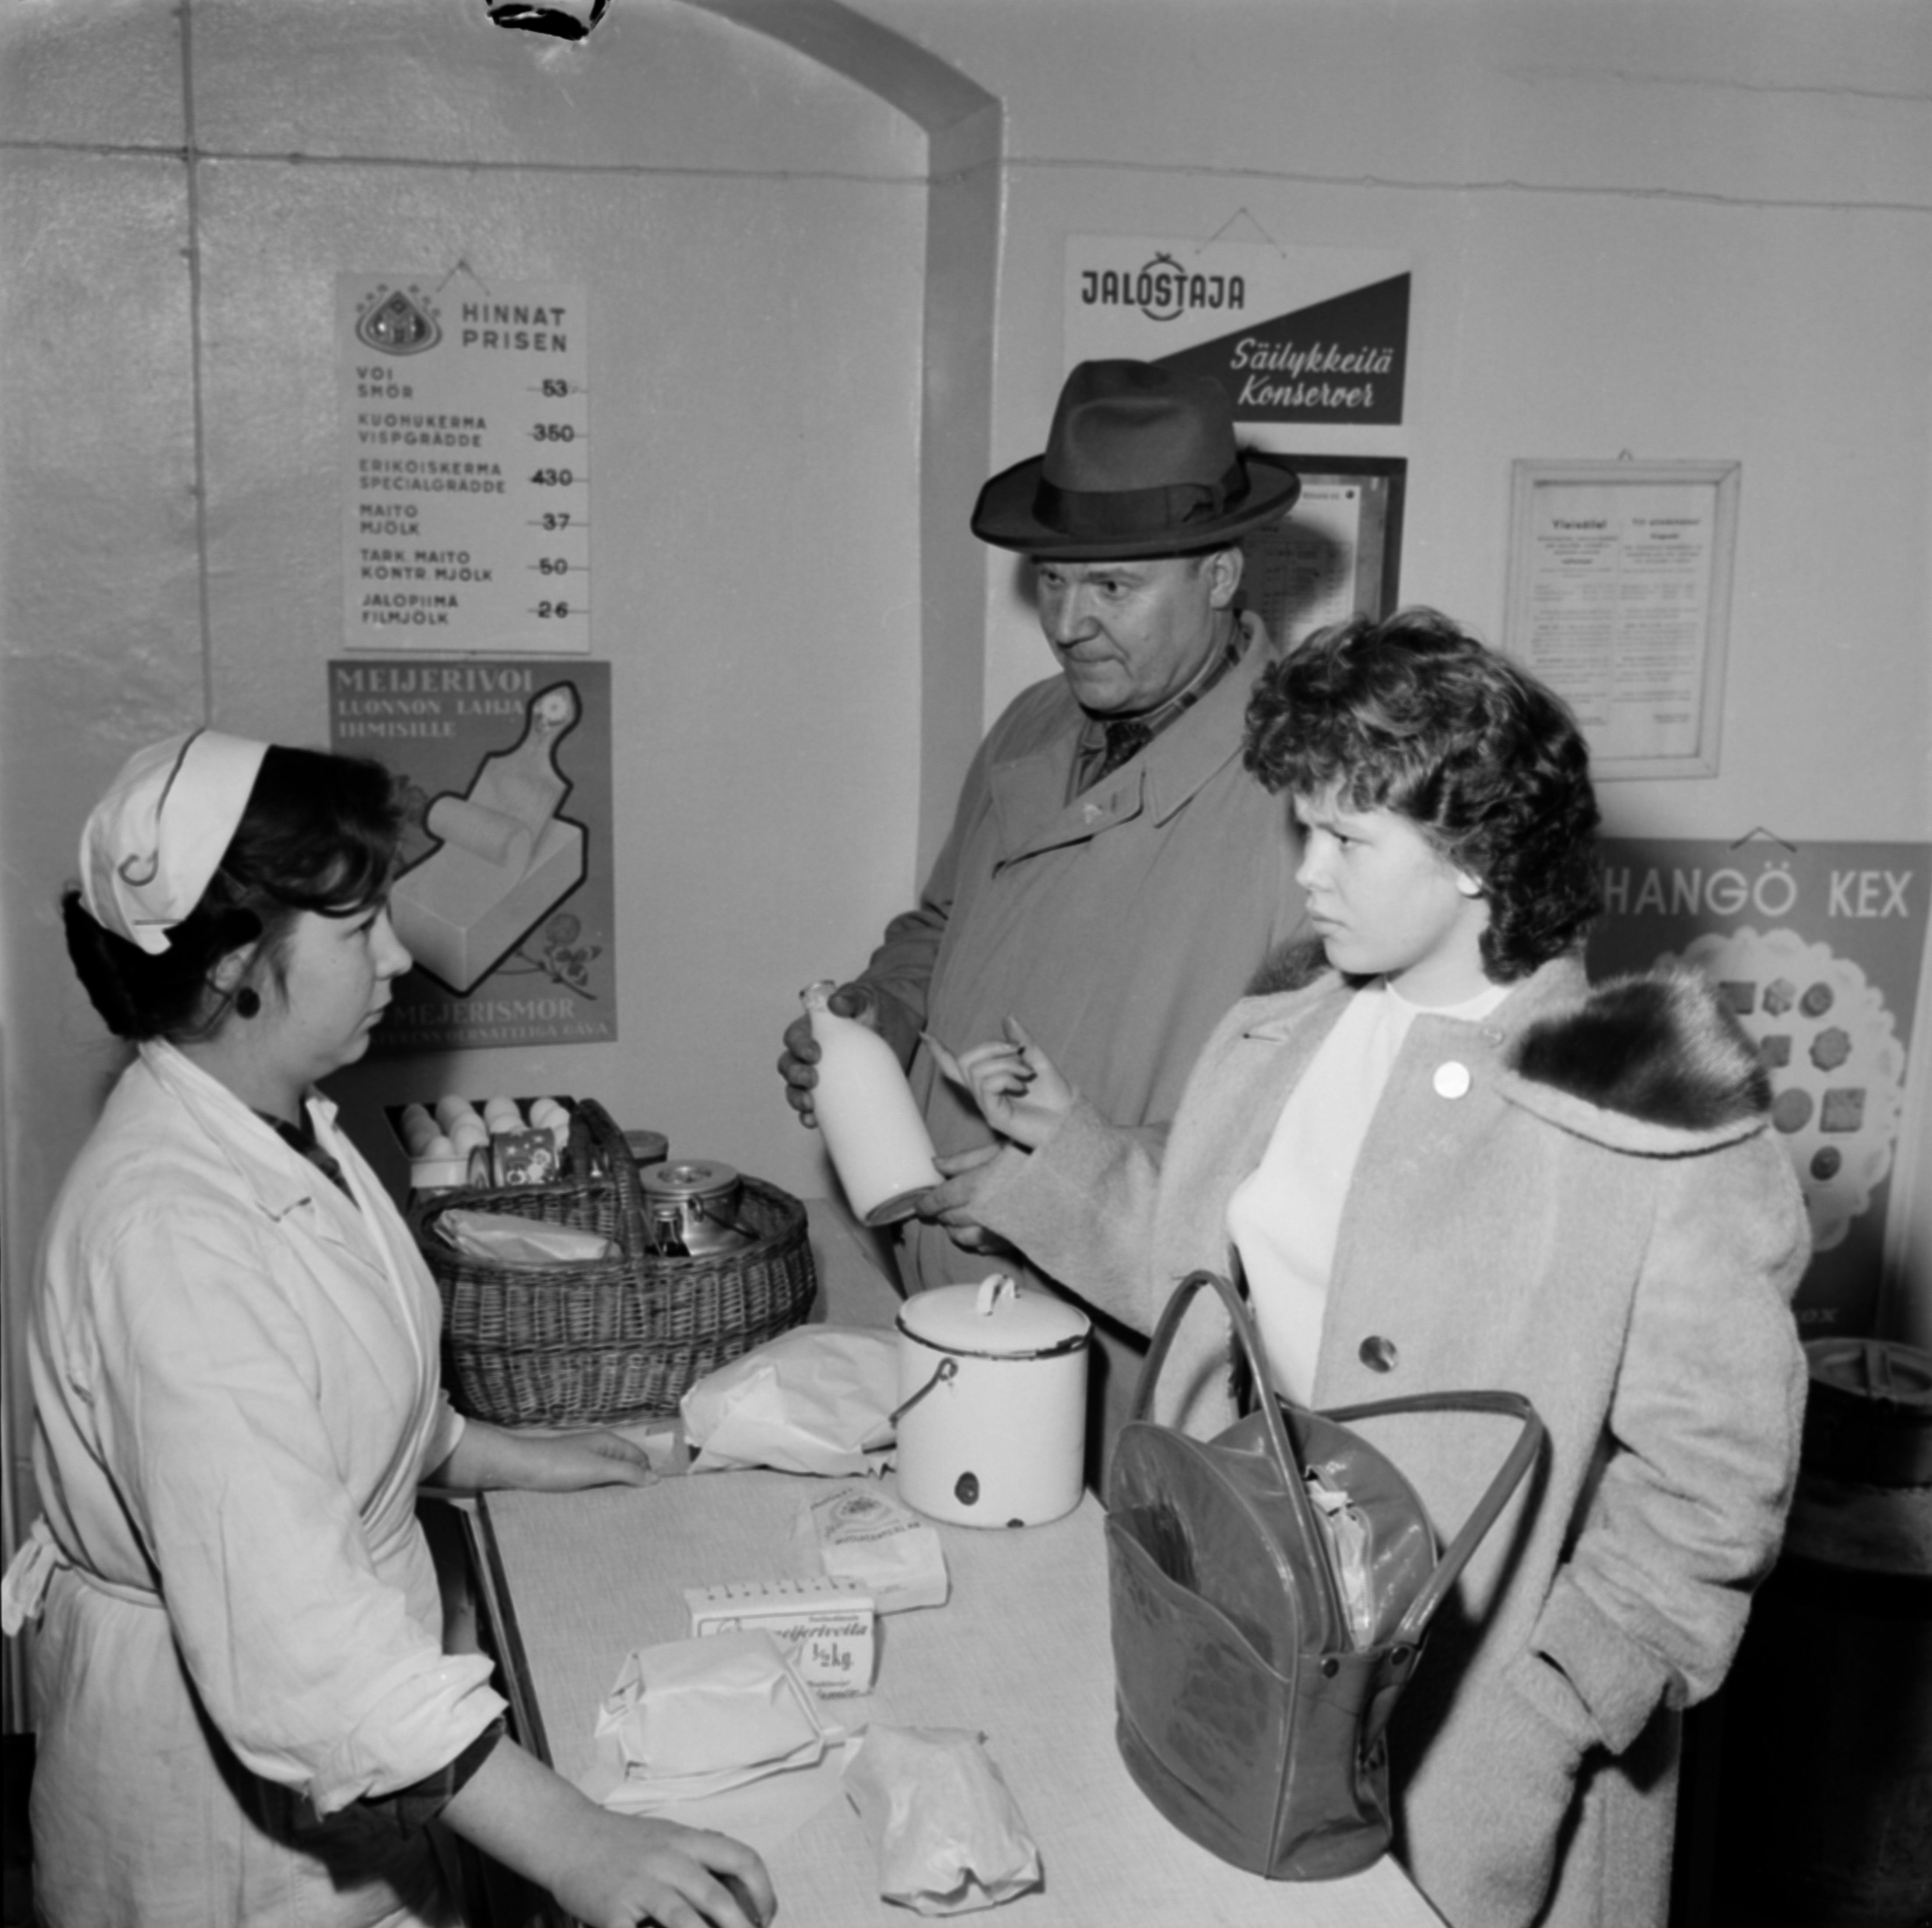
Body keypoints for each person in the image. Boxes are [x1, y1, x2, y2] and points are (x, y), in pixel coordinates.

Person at [928, 610, 1810, 1928]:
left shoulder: (1647, 1096)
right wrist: (1056, 1154)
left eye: (1346, 838)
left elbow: (1711, 1483)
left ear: (1469, 856)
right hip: (1252, 1657)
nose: (1308, 875)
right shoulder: (1290, 1023)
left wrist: (1545, 1706)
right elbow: (1206, 1277)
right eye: (1304, 830)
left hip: (1474, 1739)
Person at [1, 731, 775, 1928]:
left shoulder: (285, 1123)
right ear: (232, 969)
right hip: (228, 1815)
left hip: (350, 1733)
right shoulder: (170, 1235)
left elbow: (332, 1396)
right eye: (358, 926)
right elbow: (294, 1636)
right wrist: (570, 1836)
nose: (400, 954)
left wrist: (488, 1454)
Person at [777, 359, 1309, 1439]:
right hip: (935, 1293)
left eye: (1112, 586)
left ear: (1218, 575)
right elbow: (940, 924)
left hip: (1121, 1345)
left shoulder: (1306, 792)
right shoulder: (1030, 725)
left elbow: (1291, 1140)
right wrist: (879, 1012)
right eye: (1053, 581)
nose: (1068, 622)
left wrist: (1051, 1186)